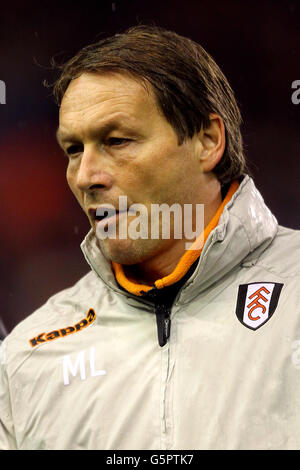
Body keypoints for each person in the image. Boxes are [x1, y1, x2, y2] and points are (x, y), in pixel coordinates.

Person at [1, 25, 300, 451]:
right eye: (73, 150)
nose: (86, 177)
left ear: (208, 141)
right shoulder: (28, 354)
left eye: (117, 140)